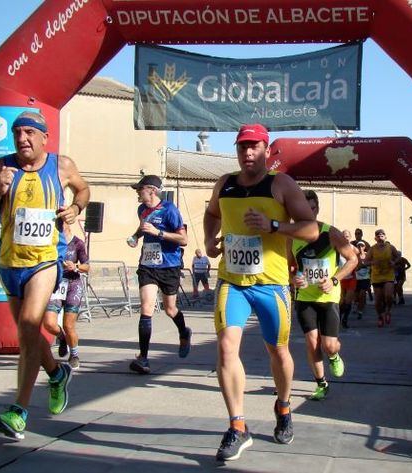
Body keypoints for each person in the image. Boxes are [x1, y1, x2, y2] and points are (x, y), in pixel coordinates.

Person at [203, 123, 318, 461]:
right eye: (242, 147)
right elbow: (211, 215)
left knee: (278, 351)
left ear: (267, 150)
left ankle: (283, 407)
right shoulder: (224, 184)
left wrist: (274, 226)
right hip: (232, 282)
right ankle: (238, 427)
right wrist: (210, 240)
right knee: (226, 348)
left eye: (254, 146)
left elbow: (310, 229)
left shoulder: (280, 184)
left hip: (272, 284)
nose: (248, 152)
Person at [0, 111, 90, 439]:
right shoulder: (1, 167)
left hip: (44, 261)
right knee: (28, 335)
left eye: (28, 132)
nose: (22, 138)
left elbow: (83, 190)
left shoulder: (61, 165)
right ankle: (56, 373)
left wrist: (76, 208)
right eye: (16, 133)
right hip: (10, 263)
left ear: (43, 137)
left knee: (27, 326)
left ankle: (18, 412)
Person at [291, 191, 357, 401]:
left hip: (328, 298)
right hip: (304, 297)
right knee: (311, 342)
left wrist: (335, 279)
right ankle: (321, 383)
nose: (308, 212)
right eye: (304, 209)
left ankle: (334, 355)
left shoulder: (331, 233)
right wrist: (294, 278)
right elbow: (289, 267)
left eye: (312, 208)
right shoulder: (291, 236)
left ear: (317, 209)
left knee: (328, 345)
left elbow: (352, 259)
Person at [126, 174, 191, 374]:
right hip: (148, 265)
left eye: (140, 189)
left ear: (151, 191)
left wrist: (159, 233)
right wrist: (136, 236)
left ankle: (184, 332)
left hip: (169, 266)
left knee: (170, 309)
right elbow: (144, 227)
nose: (137, 192)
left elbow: (184, 239)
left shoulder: (170, 210)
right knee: (146, 308)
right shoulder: (141, 210)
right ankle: (143, 359)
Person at [43, 225, 90, 369]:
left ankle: (74, 355)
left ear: (68, 225)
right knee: (49, 323)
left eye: (62, 224)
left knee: (68, 325)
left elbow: (87, 266)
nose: (59, 227)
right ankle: (62, 338)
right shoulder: (51, 241)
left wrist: (75, 266)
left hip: (73, 285)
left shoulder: (78, 243)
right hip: (55, 284)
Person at [367, 229, 399, 327]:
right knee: (378, 300)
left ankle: (388, 311)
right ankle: (380, 316)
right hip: (376, 276)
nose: (380, 237)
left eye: (382, 235)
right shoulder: (372, 249)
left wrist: (394, 262)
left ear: (385, 237)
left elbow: (398, 257)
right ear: (375, 238)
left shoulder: (390, 247)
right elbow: (366, 261)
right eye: (378, 236)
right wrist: (372, 262)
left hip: (388, 275)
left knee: (389, 296)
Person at [339, 229, 362, 328]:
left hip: (351, 277)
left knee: (348, 301)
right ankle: (339, 317)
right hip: (339, 277)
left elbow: (360, 261)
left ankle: (345, 319)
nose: (346, 238)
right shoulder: (337, 247)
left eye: (347, 236)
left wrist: (355, 267)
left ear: (350, 237)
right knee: (341, 301)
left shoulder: (354, 249)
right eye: (344, 236)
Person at [352, 228, 373, 305]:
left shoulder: (366, 244)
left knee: (364, 289)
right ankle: (357, 302)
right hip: (355, 269)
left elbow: (371, 254)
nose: (357, 235)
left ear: (361, 234)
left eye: (358, 233)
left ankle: (363, 302)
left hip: (365, 270)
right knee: (356, 291)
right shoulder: (352, 243)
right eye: (356, 233)